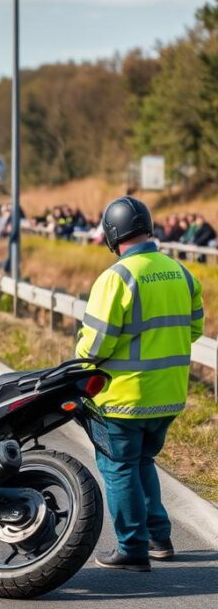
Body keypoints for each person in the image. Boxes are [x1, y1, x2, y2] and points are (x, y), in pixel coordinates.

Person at [76, 196, 204, 572]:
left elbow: (95, 344)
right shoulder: (181, 273)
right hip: (169, 396)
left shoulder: (117, 278)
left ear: (112, 235)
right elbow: (194, 328)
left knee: (119, 466)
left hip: (123, 397)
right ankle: (159, 538)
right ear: (148, 229)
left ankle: (132, 548)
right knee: (142, 461)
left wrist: (77, 365)